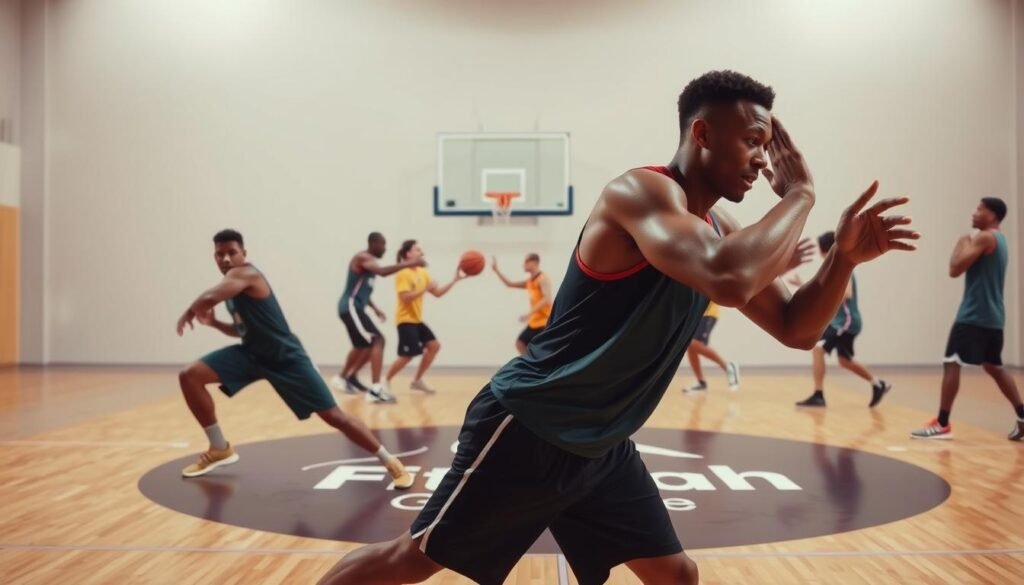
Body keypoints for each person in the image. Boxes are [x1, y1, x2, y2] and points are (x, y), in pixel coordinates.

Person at [317, 70, 917, 585]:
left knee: (675, 574)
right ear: (702, 133)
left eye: (769, 147)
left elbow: (796, 327)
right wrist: (802, 195)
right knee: (412, 559)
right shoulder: (642, 191)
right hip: (533, 423)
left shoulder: (719, 225)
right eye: (754, 142)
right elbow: (729, 281)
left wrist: (843, 259)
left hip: (602, 443)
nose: (764, 160)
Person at [175, 229, 413, 488]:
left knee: (334, 416)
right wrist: (215, 323)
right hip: (252, 353)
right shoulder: (232, 289)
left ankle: (392, 463)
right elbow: (241, 329)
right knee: (190, 375)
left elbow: (209, 297)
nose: (226, 259)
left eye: (231, 252)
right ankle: (219, 448)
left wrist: (190, 310)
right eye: (219, 254)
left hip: (286, 357)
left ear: (244, 253)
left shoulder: (246, 273)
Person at [911, 198, 1024, 440]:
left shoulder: (984, 238)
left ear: (992, 215)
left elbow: (955, 269)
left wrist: (962, 242)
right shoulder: (1001, 240)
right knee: (993, 366)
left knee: (952, 362)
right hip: (994, 316)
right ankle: (1023, 416)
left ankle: (942, 424)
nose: (974, 213)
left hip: (974, 315)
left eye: (979, 209)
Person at [793, 231, 892, 408]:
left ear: (827, 250)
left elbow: (846, 294)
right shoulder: (833, 268)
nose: (820, 255)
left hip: (846, 321)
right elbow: (824, 291)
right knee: (844, 361)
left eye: (821, 251)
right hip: (843, 322)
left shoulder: (842, 266)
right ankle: (878, 383)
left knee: (818, 348)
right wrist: (803, 286)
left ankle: (818, 395)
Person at [332, 232, 425, 399]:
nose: (385, 248)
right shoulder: (363, 258)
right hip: (350, 306)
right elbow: (382, 271)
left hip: (354, 307)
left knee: (364, 346)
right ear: (373, 243)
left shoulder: (369, 265)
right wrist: (409, 263)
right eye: (383, 245)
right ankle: (375, 390)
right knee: (378, 340)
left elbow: (362, 290)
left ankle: (347, 377)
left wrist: (375, 308)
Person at [384, 240, 466, 395]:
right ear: (408, 254)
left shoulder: (423, 273)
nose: (421, 252)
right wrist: (424, 289)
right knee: (408, 355)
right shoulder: (403, 273)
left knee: (434, 346)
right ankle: (385, 382)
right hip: (405, 320)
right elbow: (405, 298)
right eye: (417, 250)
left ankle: (417, 381)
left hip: (417, 320)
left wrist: (455, 280)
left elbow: (438, 293)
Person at [492, 253, 554, 354]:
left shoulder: (543, 278)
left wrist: (529, 313)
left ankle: (542, 366)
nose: (523, 265)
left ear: (534, 262)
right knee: (520, 343)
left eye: (526, 262)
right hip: (534, 322)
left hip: (545, 321)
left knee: (541, 349)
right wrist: (496, 270)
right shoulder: (529, 281)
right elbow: (509, 284)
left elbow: (547, 299)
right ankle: (529, 366)